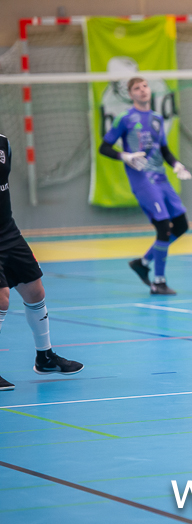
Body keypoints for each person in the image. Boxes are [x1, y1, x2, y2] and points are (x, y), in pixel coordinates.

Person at [0, 133, 84, 391]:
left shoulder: (3, 143)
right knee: (1, 299)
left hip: (8, 232)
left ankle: (44, 357)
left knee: (35, 291)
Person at [99, 77, 192, 295]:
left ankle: (142, 263)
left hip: (162, 179)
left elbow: (164, 150)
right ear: (130, 94)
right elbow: (104, 147)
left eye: (145, 86)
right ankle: (159, 282)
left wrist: (177, 164)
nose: (142, 90)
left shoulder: (157, 118)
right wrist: (125, 156)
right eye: (136, 88)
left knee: (181, 226)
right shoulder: (125, 118)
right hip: (143, 180)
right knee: (163, 226)